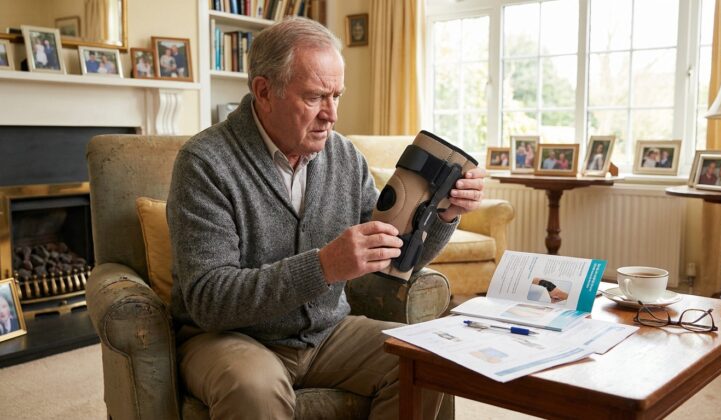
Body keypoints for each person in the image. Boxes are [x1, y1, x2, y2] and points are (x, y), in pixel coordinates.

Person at [167, 17, 486, 419]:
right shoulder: (205, 164)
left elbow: (390, 260)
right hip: (228, 337)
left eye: (337, 95)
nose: (331, 114)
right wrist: (324, 266)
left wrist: (443, 215)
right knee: (254, 389)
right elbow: (208, 301)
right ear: (264, 91)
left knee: (427, 359)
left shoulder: (344, 156)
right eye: (316, 96)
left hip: (327, 333)